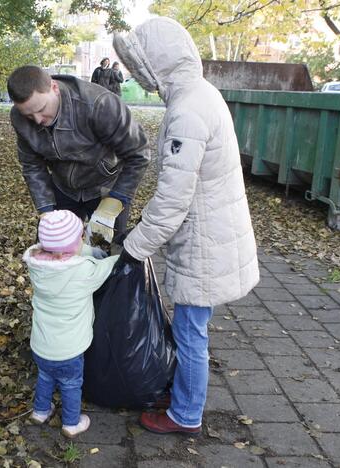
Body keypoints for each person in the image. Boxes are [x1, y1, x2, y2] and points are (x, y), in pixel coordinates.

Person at [112, 17, 260, 435]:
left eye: (142, 69)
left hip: (204, 240)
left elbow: (174, 199)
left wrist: (135, 246)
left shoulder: (186, 112)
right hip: (214, 229)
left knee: (191, 331)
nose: (139, 79)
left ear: (158, 64)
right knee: (192, 325)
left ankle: (186, 413)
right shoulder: (201, 94)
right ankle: (181, 393)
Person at [6, 65, 151, 246]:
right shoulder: (19, 117)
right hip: (63, 187)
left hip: (106, 186)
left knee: (108, 251)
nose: (37, 120)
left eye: (42, 108)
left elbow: (139, 154)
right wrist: (46, 210)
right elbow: (32, 165)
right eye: (29, 115)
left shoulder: (99, 104)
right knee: (53, 248)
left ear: (54, 88)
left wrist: (116, 200)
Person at [23, 210, 118, 437]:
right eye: (80, 237)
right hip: (69, 349)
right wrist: (122, 256)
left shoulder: (36, 265)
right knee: (70, 384)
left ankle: (40, 411)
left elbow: (63, 251)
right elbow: (107, 268)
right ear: (76, 242)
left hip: (41, 345)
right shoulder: (82, 270)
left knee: (45, 377)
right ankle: (71, 423)